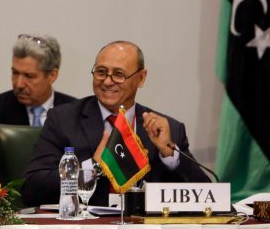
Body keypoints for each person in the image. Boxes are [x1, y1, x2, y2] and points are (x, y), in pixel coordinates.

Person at [21, 41, 209, 206]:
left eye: (118, 74)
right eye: (101, 72)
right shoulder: (63, 119)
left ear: (141, 78)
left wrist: (169, 154)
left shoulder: (168, 129)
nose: (108, 82)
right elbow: (32, 188)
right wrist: (93, 166)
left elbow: (206, 196)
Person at [0, 34, 76, 166]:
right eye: (15, 73)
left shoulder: (75, 113)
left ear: (52, 75)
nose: (19, 84)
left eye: (29, 76)